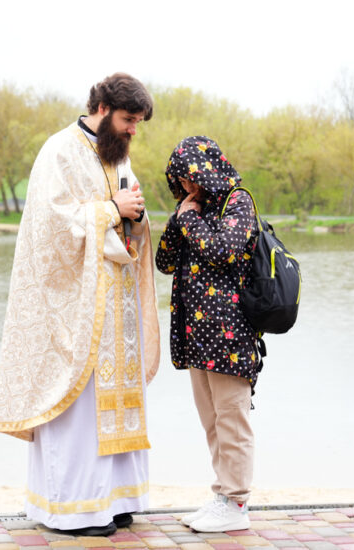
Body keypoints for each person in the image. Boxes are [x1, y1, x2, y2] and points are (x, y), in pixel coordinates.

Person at [0, 73, 160, 536]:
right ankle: (74, 510)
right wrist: (112, 209)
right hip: (74, 309)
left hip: (115, 307)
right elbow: (50, 227)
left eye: (138, 123)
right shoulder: (59, 151)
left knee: (115, 405)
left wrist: (136, 216)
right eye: (128, 120)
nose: (133, 131)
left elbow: (128, 213)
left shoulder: (117, 155)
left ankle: (115, 500)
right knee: (80, 415)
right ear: (103, 108)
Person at [155, 136, 260, 532]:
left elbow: (223, 251)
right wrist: (180, 217)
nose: (186, 186)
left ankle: (236, 503)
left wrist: (189, 220)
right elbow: (164, 260)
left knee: (232, 420)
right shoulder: (194, 210)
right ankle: (223, 496)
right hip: (197, 336)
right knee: (213, 422)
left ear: (207, 171)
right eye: (179, 181)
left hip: (229, 336)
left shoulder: (238, 202)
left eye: (189, 178)